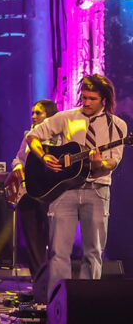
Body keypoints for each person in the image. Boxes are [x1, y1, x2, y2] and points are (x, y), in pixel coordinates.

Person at [27, 75, 127, 298]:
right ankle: (57, 303)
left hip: (98, 190)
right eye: (84, 97)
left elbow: (114, 161)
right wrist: (43, 156)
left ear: (104, 100)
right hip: (65, 190)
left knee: (94, 252)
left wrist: (99, 163)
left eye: (92, 98)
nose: (86, 102)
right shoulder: (66, 117)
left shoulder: (117, 125)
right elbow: (33, 136)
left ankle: (87, 302)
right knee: (58, 252)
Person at [10, 99, 60, 298]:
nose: (33, 116)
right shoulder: (29, 135)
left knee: (54, 239)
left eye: (38, 113)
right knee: (33, 241)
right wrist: (17, 166)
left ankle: (55, 285)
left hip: (49, 194)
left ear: (49, 115)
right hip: (28, 194)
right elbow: (18, 157)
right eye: (32, 113)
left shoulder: (59, 136)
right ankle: (38, 285)